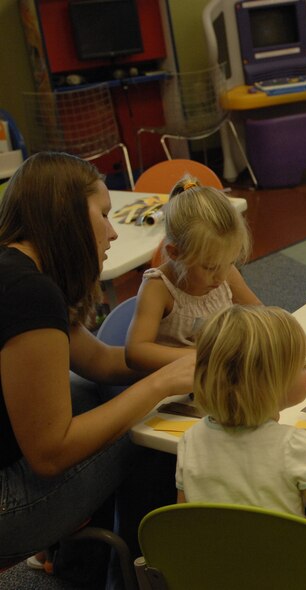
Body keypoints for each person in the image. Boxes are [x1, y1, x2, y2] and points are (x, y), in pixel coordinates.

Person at [0, 152, 194, 584]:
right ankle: (143, 573)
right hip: (7, 506)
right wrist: (162, 383)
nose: (111, 232)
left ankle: (79, 565)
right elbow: (51, 454)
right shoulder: (29, 293)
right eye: (103, 215)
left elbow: (102, 361)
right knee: (149, 432)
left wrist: (191, 358)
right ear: (66, 214)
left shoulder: (15, 269)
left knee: (89, 394)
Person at [175, 305, 306, 543]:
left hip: (213, 573)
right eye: (301, 364)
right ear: (269, 385)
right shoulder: (294, 446)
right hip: (286, 575)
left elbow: (184, 522)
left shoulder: (191, 439)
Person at [125, 176, 260, 372]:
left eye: (229, 262)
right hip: (176, 383)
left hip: (219, 372)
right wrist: (207, 355)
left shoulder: (225, 272)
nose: (221, 277)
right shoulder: (158, 288)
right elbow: (136, 353)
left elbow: (258, 311)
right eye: (210, 267)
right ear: (175, 253)